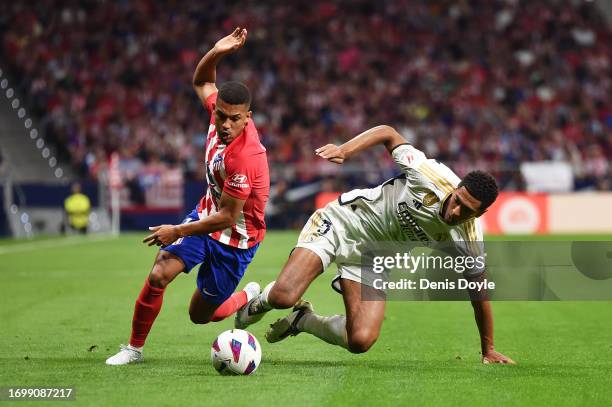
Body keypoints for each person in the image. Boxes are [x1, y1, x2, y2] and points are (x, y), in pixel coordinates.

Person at [236, 125, 515, 364]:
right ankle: (258, 301)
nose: (456, 212)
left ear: (480, 214)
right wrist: (345, 150)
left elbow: (479, 293)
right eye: (457, 201)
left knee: (360, 340)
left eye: (467, 210)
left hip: (374, 258)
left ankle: (303, 321)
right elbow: (388, 133)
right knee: (283, 296)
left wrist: (488, 349)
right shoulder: (428, 175)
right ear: (455, 190)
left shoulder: (468, 237)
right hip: (344, 222)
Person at [106, 28, 270, 365]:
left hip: (236, 240)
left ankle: (248, 297)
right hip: (204, 217)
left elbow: (227, 218)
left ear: (247, 119)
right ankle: (133, 349)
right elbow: (202, 83)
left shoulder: (245, 157)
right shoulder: (218, 115)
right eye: (220, 115)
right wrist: (216, 51)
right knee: (158, 274)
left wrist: (176, 231)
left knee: (201, 315)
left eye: (234, 119)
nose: (225, 124)